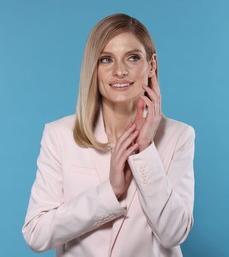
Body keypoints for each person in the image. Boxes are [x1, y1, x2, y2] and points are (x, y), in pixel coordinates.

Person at [22, 13, 195, 257]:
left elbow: (173, 233)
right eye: (106, 59)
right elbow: (36, 233)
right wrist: (109, 192)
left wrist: (145, 151)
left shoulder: (179, 136)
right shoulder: (59, 135)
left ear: (151, 65)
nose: (120, 71)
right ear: (94, 68)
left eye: (132, 58)